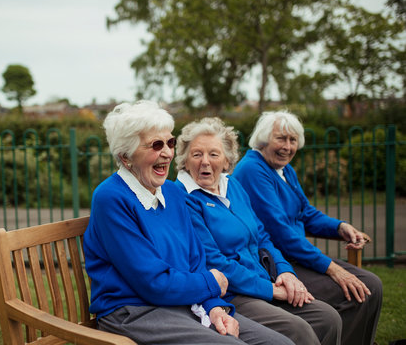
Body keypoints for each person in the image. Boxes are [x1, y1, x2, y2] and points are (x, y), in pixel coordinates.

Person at [83, 101, 294, 345]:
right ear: (125, 156)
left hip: (181, 303)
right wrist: (212, 283)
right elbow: (152, 282)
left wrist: (215, 307)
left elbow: (195, 261)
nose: (168, 153)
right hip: (133, 311)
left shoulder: (172, 192)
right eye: (156, 145)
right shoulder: (111, 198)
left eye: (170, 143)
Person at [174, 117, 341, 345]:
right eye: (196, 154)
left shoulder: (232, 185)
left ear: (226, 161)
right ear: (185, 161)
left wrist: (285, 272)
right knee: (298, 330)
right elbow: (214, 262)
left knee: (328, 318)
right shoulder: (184, 197)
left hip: (266, 279)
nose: (205, 162)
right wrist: (270, 290)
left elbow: (262, 236)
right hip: (235, 292)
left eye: (213, 154)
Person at [232, 110, 382, 345]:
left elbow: (305, 212)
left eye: (293, 140)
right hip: (277, 263)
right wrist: (332, 268)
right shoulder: (253, 170)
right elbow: (281, 233)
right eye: (281, 138)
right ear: (263, 139)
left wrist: (340, 226)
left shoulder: (284, 170)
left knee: (370, 285)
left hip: (296, 257)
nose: (288, 147)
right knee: (362, 290)